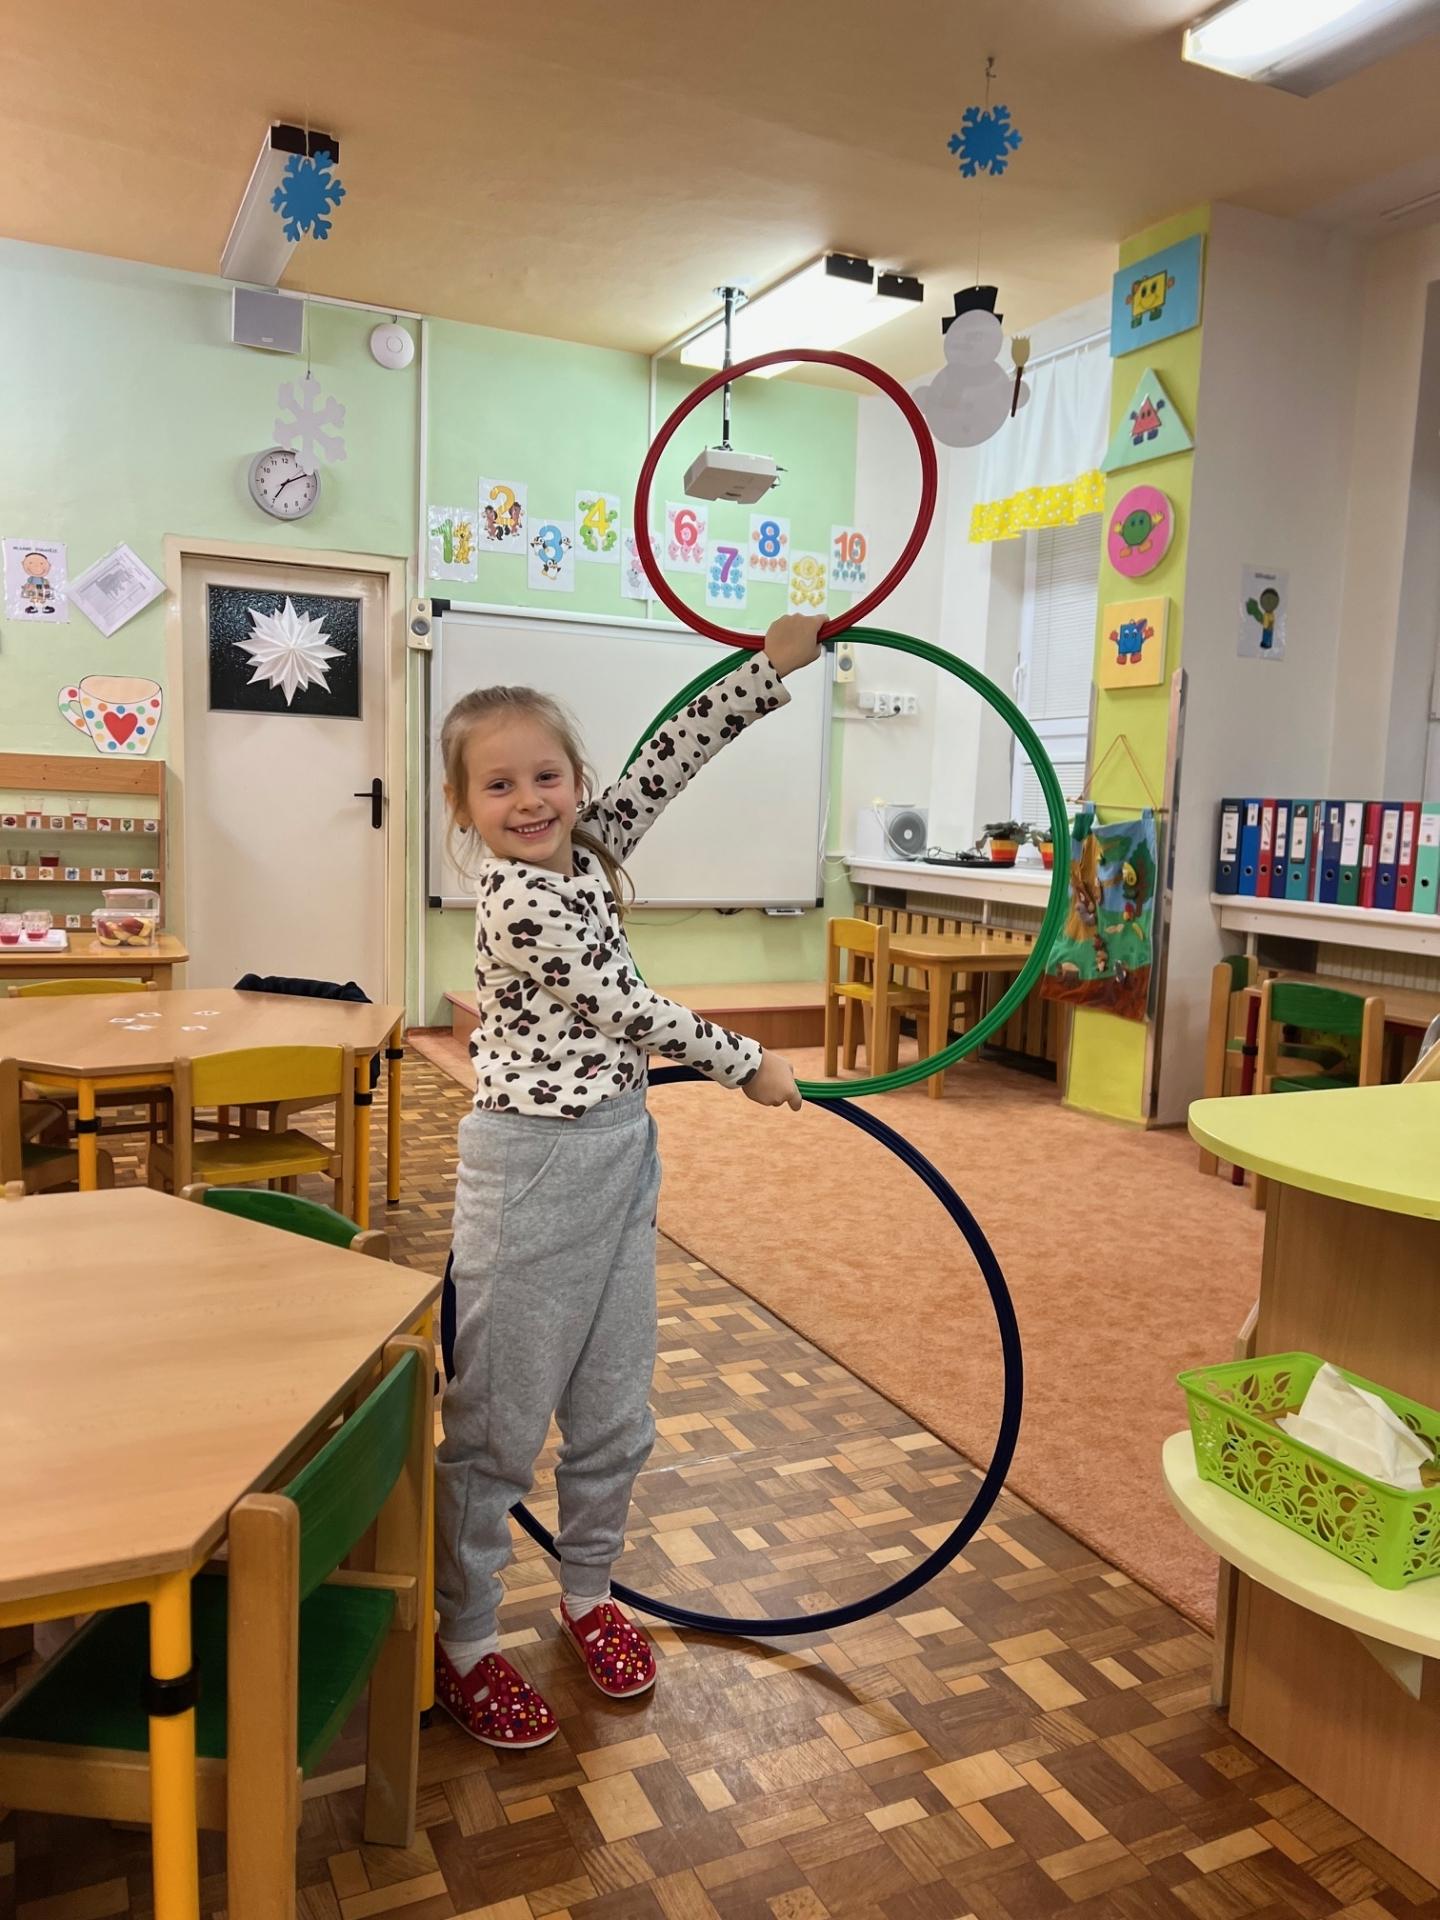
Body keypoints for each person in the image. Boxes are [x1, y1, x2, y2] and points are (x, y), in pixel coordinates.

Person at [433, 612, 825, 1747]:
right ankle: (465, 1644)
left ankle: (590, 1591)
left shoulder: (587, 850)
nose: (530, 801)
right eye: (499, 785)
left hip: (618, 1150)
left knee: (614, 1409)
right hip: (530, 1171)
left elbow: (669, 758)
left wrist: (765, 671)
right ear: (465, 808)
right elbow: (627, 1007)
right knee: (497, 1431)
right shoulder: (518, 903)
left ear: (574, 779)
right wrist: (748, 1063)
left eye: (547, 776)